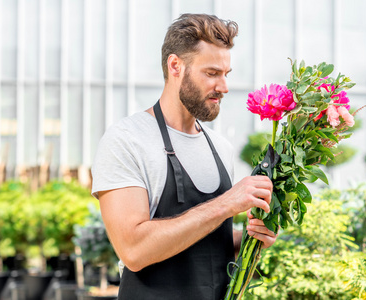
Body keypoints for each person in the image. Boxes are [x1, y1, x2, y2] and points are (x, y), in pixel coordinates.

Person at [91, 13, 276, 299]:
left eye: (226, 75)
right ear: (175, 66)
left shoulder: (220, 147)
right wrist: (226, 204)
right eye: (212, 73)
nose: (224, 87)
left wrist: (249, 240)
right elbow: (134, 250)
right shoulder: (127, 140)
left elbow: (204, 247)